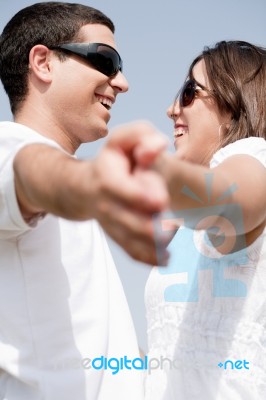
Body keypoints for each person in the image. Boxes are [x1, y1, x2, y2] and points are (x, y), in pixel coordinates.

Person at [0, 2, 170, 399]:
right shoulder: (11, 146)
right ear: (43, 62)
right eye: (106, 61)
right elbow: (29, 172)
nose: (123, 82)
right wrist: (91, 179)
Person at [137, 40, 265, 399]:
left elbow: (227, 199)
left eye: (189, 91)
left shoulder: (255, 157)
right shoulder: (180, 227)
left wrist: (150, 172)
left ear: (232, 103)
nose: (171, 109)